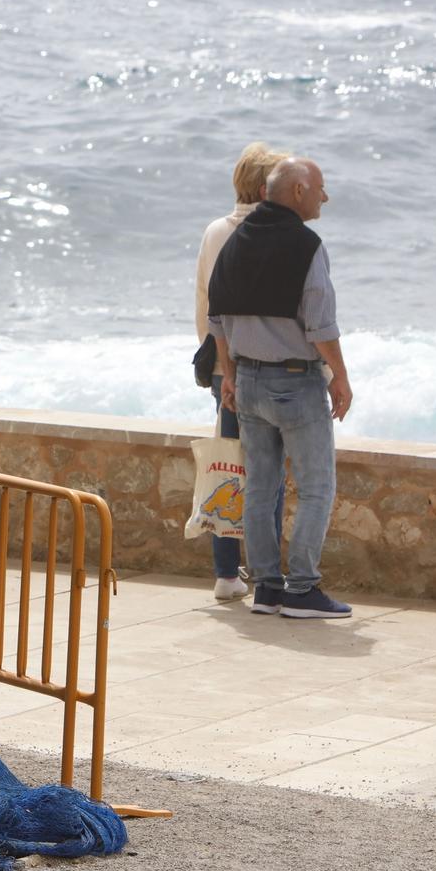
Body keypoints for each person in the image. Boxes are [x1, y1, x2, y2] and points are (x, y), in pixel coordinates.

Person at [208, 157, 355, 619]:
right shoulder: (306, 245)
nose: (324, 197)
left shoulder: (236, 242)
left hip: (248, 382)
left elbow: (218, 320)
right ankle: (303, 589)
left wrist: (230, 374)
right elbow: (321, 325)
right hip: (294, 383)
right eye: (320, 188)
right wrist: (342, 378)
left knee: (259, 488)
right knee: (316, 488)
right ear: (296, 192)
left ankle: (268, 588)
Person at [195, 143, 288, 601]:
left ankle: (226, 573)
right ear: (261, 187)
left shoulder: (214, 231)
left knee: (228, 466)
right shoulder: (267, 232)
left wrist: (215, 364)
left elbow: (203, 304)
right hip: (258, 368)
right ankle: (268, 574)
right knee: (267, 472)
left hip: (220, 366)